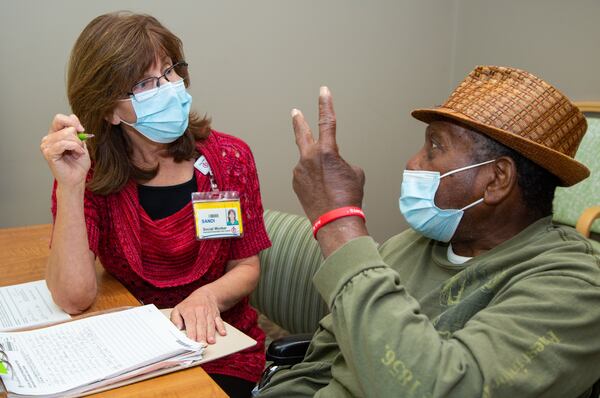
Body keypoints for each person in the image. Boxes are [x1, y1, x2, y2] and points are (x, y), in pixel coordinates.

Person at [258, 67, 600, 397]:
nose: (413, 162)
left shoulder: (576, 286)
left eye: (434, 147)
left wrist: (339, 222)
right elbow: (325, 361)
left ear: (497, 179)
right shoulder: (410, 245)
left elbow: (441, 389)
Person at [40, 12, 271, 397]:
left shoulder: (229, 158)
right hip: (129, 354)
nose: (168, 88)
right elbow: (72, 298)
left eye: (170, 71)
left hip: (219, 347)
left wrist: (208, 295)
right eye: (145, 84)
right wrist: (70, 186)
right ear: (110, 111)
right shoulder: (90, 173)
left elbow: (246, 266)